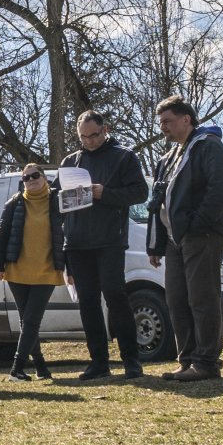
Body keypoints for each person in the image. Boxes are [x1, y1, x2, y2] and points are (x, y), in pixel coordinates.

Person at [147, 96, 223, 382]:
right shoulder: (168, 157)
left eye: (168, 122)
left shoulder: (209, 146)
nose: (163, 128)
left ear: (187, 119)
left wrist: (197, 225)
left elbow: (220, 189)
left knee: (202, 298)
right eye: (160, 123)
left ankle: (207, 362)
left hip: (202, 235)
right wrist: (156, 244)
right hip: (175, 240)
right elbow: (159, 202)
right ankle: (187, 361)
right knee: (177, 299)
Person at [59, 110, 150, 380]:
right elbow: (56, 201)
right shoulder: (71, 161)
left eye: (94, 135)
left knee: (115, 294)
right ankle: (98, 360)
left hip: (110, 239)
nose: (88, 141)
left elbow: (140, 192)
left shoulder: (124, 156)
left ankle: (131, 359)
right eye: (83, 137)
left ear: (105, 129)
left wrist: (104, 194)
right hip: (76, 242)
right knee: (87, 302)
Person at [0, 164, 65, 381]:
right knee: (27, 322)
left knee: (31, 320)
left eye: (35, 175)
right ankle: (41, 367)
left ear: (44, 177)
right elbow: (1, 233)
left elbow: (66, 233)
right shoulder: (14, 203)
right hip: (18, 270)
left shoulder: (56, 201)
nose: (30, 180)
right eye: (26, 177)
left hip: (46, 270)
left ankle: (16, 368)